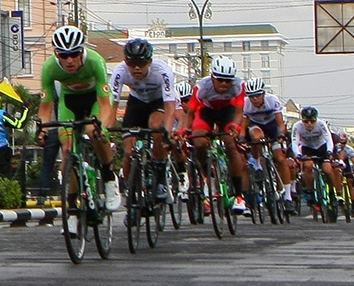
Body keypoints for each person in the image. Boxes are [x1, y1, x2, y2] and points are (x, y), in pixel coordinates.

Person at [39, 24, 117, 210]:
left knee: (93, 130)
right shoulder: (49, 67)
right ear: (56, 54)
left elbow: (105, 104)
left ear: (82, 51)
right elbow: (46, 106)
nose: (70, 60)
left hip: (95, 100)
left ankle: (109, 177)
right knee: (67, 150)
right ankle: (72, 205)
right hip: (69, 102)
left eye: (74, 54)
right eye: (63, 55)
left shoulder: (95, 61)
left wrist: (103, 127)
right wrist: (42, 129)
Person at [105, 37, 179, 193]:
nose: (136, 68)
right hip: (136, 102)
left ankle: (160, 180)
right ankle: (133, 192)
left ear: (150, 62)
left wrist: (167, 130)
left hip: (158, 101)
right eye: (131, 63)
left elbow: (170, 106)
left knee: (156, 127)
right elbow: (113, 106)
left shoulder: (163, 71)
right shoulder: (119, 72)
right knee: (128, 152)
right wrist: (108, 132)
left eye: (142, 63)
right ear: (126, 61)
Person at [187, 56, 251, 214]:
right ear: (212, 77)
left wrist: (235, 126)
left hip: (228, 114)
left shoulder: (238, 85)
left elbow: (238, 112)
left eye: (228, 81)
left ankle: (238, 195)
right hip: (206, 112)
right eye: (220, 80)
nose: (224, 84)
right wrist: (186, 131)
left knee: (230, 144)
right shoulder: (202, 87)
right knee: (199, 142)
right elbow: (190, 112)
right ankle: (207, 173)